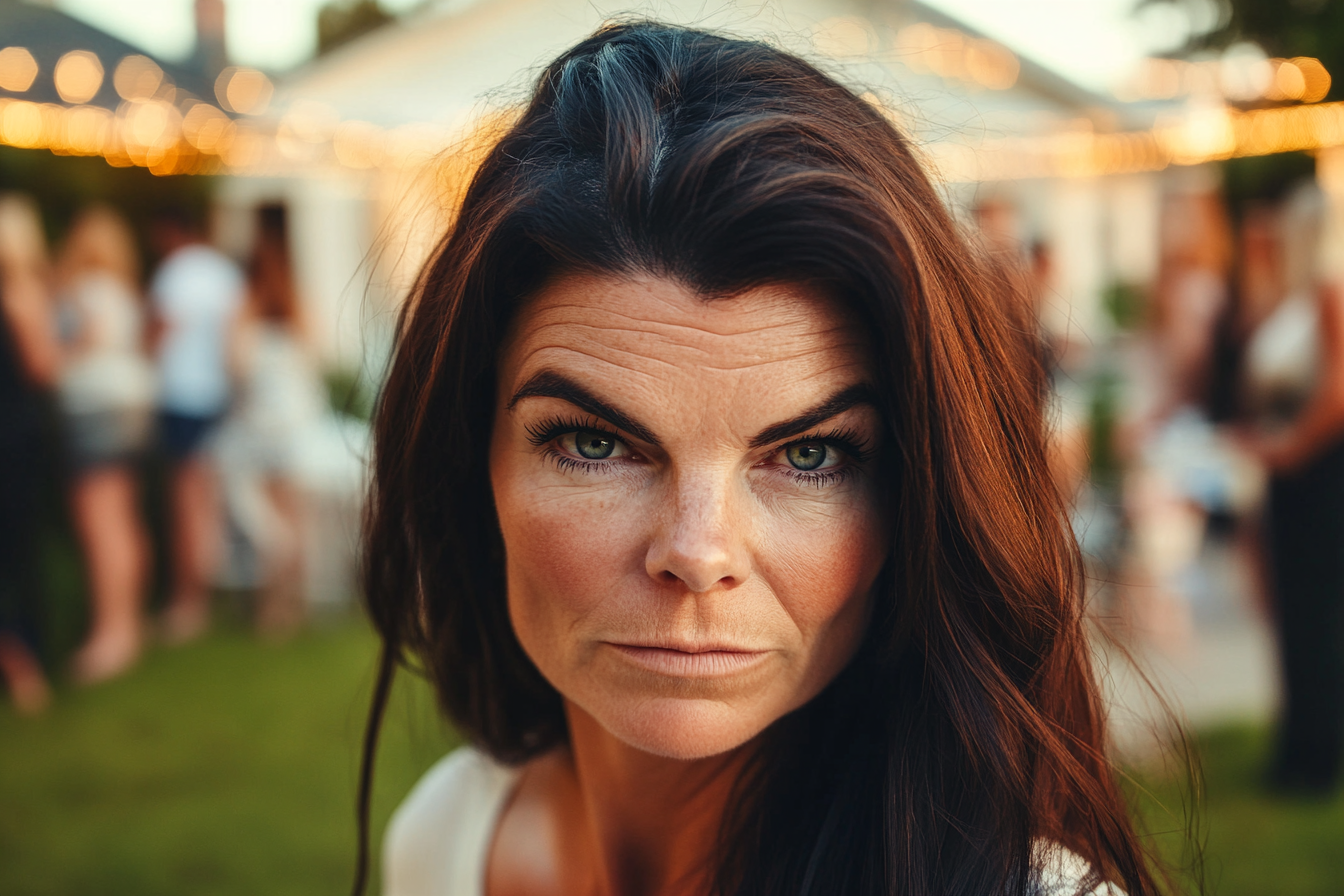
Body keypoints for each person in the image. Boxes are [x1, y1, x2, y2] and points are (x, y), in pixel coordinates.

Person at [357, 23, 1166, 896]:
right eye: (595, 444)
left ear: (916, 504)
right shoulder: (445, 845)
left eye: (810, 454)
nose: (698, 553)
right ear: (474, 462)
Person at [1240, 183, 1344, 795]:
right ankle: (1299, 744)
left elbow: (1338, 392)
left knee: (1313, 616)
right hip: (1294, 474)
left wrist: (1290, 449)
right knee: (1293, 614)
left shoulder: (1329, 291)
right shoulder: (1296, 297)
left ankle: (1314, 759)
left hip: (1318, 476)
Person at [54, 206, 157, 683]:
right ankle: (129, 625)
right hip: (132, 404)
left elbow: (78, 346)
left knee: (101, 524)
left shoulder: (84, 292)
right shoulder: (123, 292)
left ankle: (110, 635)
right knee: (124, 518)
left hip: (95, 407)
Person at [214, 204, 327, 637]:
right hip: (294, 425)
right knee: (287, 518)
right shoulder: (299, 308)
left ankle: (272, 608)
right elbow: (317, 361)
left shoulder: (247, 312)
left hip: (263, 427)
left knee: (266, 522)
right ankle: (289, 604)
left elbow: (235, 367)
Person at [147, 207, 244, 644]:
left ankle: (189, 602)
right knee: (204, 500)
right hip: (215, 396)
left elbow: (159, 335)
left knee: (185, 503)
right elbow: (233, 338)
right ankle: (207, 592)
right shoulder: (223, 273)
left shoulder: (175, 273)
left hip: (180, 396)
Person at [0, 194, 59, 714]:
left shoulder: (19, 296)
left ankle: (25, 666)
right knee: (18, 557)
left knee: (15, 558)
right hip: (17, 438)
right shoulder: (22, 295)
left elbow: (39, 367)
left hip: (13, 443)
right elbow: (44, 367)